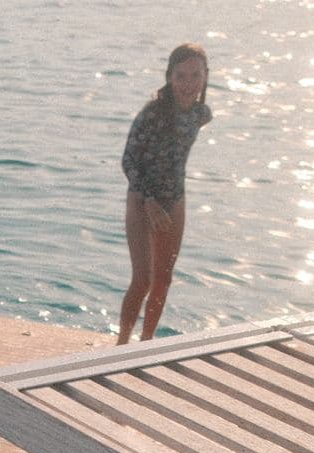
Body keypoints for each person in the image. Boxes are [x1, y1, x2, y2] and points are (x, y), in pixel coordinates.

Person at [118, 43, 212, 345]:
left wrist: (166, 204)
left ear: (205, 77)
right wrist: (148, 201)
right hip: (142, 200)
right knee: (143, 279)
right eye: (181, 76)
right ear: (169, 77)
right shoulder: (153, 113)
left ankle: (146, 344)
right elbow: (129, 160)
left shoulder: (201, 113)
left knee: (162, 281)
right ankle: (121, 344)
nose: (188, 84)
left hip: (175, 201)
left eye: (195, 75)